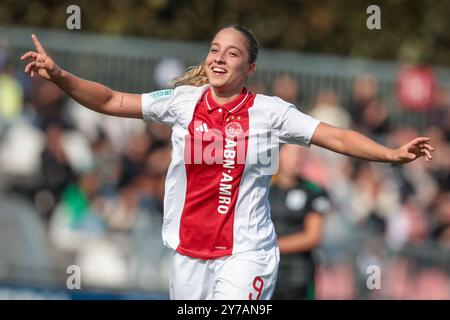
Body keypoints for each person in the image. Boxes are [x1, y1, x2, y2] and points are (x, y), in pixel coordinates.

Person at [20, 24, 434, 300]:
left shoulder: (270, 112)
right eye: (214, 49)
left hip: (246, 254)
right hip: (188, 254)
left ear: (249, 67)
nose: (219, 58)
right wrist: (59, 75)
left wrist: (391, 154)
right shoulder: (182, 102)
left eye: (232, 53)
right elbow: (111, 100)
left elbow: (335, 135)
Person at [269, 144, 331, 299]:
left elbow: (312, 237)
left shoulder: (314, 192)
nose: (297, 158)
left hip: (298, 275)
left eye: (300, 153)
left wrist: (270, 246)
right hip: (267, 272)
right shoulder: (264, 191)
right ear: (279, 154)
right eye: (291, 153)